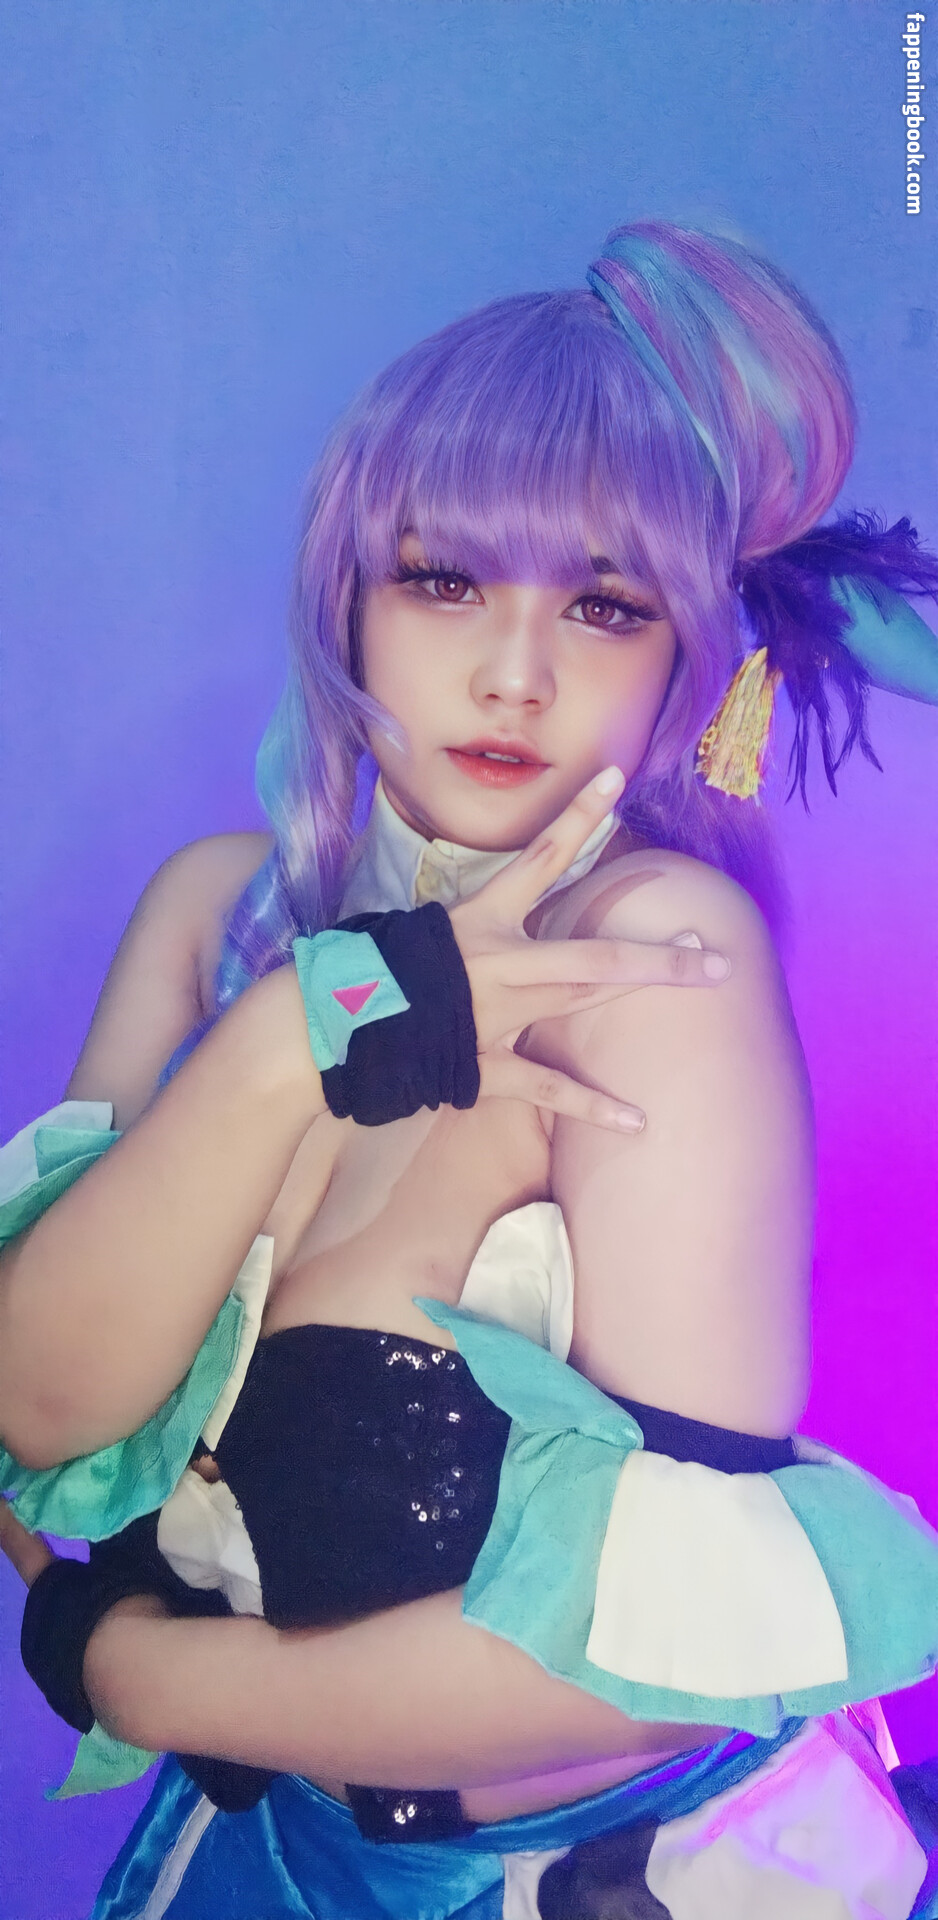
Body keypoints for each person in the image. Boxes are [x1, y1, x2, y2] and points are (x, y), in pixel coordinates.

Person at [2, 218, 938, 1920]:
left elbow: (665, 1671)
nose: (514, 672)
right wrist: (296, 1036)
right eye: (444, 580)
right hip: (254, 1867)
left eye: (603, 604)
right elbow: (44, 1404)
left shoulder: (652, 955)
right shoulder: (214, 921)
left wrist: (139, 1672)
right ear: (347, 598)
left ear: (687, 653)